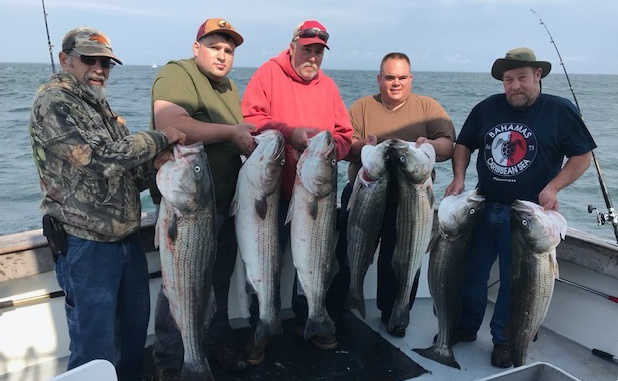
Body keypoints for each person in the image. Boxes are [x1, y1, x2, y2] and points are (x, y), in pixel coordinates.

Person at [29, 26, 185, 381]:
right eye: (90, 59)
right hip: (86, 246)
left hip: (125, 241)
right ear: (65, 59)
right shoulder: (53, 102)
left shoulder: (99, 105)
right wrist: (159, 137)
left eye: (106, 63)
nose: (99, 68)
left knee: (132, 340)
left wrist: (155, 166)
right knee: (94, 349)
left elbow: (124, 170)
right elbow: (97, 159)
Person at [444, 47, 596, 368]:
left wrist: (553, 187)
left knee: (518, 283)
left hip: (528, 217)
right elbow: (463, 144)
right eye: (508, 80)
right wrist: (458, 178)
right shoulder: (487, 108)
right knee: (470, 274)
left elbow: (582, 155)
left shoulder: (559, 111)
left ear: (538, 75)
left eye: (522, 78)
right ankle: (466, 326)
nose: (514, 86)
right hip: (483, 206)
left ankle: (504, 339)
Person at [149, 18, 256, 380]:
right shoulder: (178, 74)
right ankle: (169, 362)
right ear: (197, 48)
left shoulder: (229, 90)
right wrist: (230, 132)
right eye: (214, 46)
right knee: (177, 286)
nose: (222, 55)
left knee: (218, 282)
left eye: (229, 50)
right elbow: (172, 125)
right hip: (190, 210)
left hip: (224, 206)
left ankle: (212, 345)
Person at [241, 20, 352, 364]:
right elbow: (251, 120)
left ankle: (313, 320)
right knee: (263, 262)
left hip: (314, 195)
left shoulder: (329, 88)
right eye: (307, 49)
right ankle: (261, 326)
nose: (313, 57)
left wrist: (327, 146)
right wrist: (290, 133)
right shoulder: (267, 74)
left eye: (319, 52)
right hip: (271, 191)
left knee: (314, 260)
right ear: (292, 46)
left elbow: (345, 137)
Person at [334, 52, 456, 338]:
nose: (396, 83)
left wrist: (430, 145)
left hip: (410, 202)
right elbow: (345, 147)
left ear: (411, 79)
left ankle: (396, 314)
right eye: (390, 77)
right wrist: (364, 145)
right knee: (349, 252)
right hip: (364, 194)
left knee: (401, 259)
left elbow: (448, 145)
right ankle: (338, 307)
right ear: (379, 80)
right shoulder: (363, 107)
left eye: (402, 77)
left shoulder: (428, 107)